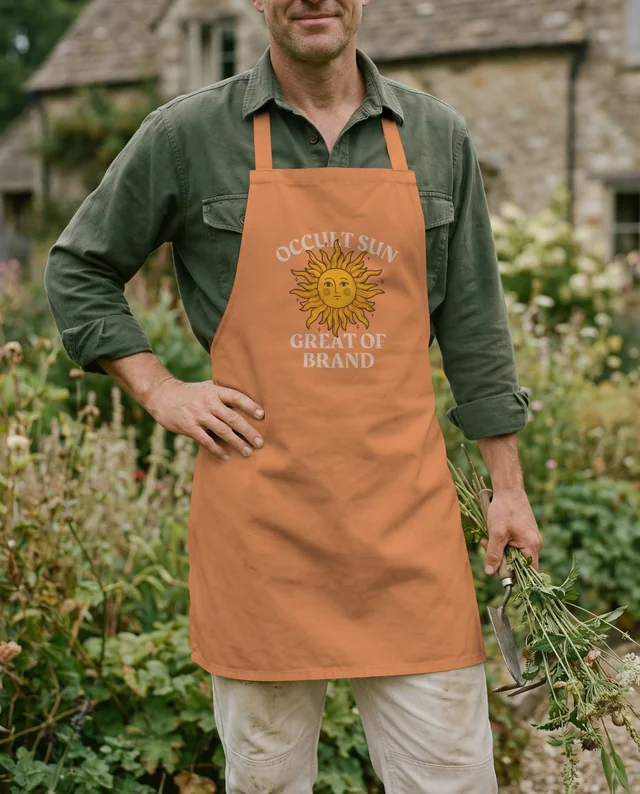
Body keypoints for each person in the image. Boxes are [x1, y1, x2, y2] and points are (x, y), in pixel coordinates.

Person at [44, 1, 544, 791]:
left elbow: (476, 325)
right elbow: (78, 267)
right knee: (267, 781)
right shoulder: (188, 136)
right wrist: (160, 389)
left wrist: (508, 489)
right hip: (262, 522)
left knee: (452, 777)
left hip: (406, 526)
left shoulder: (435, 137)